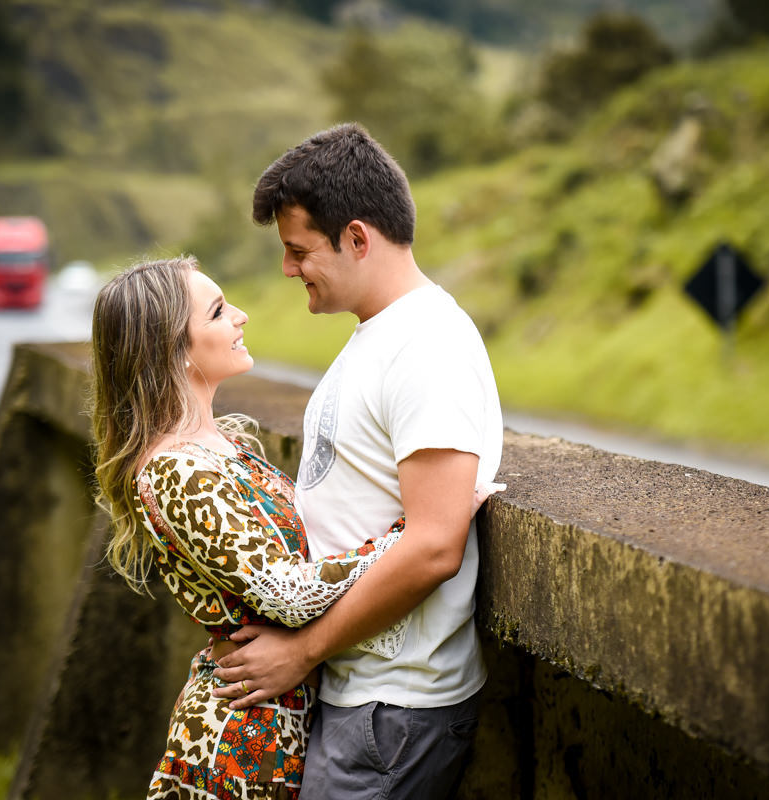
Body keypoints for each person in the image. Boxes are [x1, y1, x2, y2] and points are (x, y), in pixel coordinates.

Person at [211, 123, 504, 798]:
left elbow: (435, 545)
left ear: (358, 238)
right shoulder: (378, 336)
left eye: (298, 250)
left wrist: (304, 650)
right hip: (361, 696)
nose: (288, 270)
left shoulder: (428, 347)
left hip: (395, 712)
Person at [90, 255, 419, 799]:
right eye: (218, 312)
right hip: (242, 740)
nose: (240, 316)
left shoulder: (224, 444)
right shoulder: (177, 471)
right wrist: (411, 534)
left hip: (274, 715)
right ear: (169, 349)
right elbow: (286, 592)